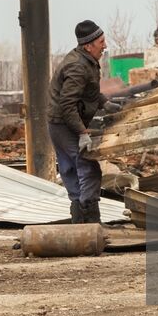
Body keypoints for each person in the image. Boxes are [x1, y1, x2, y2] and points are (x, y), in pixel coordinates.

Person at [49, 19, 110, 224]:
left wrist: (104, 103)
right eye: (101, 42)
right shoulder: (77, 66)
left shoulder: (86, 60)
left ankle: (79, 221)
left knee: (71, 169)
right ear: (88, 45)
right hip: (64, 124)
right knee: (88, 167)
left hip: (61, 123)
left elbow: (88, 90)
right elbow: (67, 104)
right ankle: (90, 222)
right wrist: (83, 133)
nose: (105, 46)